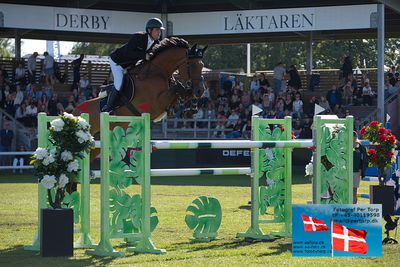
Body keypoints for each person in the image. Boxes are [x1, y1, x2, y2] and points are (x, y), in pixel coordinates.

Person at [101, 18, 164, 112]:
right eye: (157, 30)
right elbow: (128, 53)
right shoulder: (138, 37)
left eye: (160, 30)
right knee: (119, 84)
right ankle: (107, 107)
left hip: (130, 64)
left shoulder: (156, 43)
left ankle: (109, 89)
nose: (159, 33)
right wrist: (144, 55)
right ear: (149, 30)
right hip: (117, 61)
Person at [353, 132, 367, 204]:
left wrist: (361, 170)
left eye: (354, 138)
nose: (353, 139)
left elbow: (364, 160)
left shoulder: (361, 148)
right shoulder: (345, 146)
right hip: (345, 172)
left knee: (354, 191)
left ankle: (353, 207)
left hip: (356, 171)